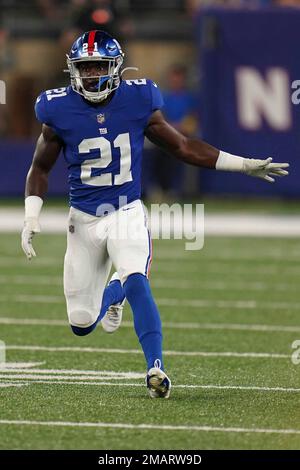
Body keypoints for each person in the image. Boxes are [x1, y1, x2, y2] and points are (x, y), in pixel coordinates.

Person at [21, 30, 289, 399]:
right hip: (82, 219)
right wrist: (31, 216)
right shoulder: (57, 108)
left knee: (136, 275)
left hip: (126, 211)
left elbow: (182, 146)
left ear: (116, 68)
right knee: (81, 324)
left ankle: (155, 367)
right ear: (73, 71)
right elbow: (39, 168)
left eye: (99, 66)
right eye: (85, 68)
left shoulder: (138, 99)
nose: (92, 75)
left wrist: (242, 165)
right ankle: (113, 293)